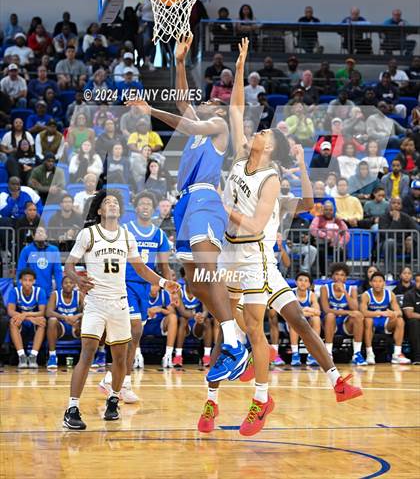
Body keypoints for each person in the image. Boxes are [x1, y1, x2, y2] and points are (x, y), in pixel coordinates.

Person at [200, 38, 362, 436]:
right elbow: (236, 110)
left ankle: (308, 386)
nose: (259, 132)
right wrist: (239, 68)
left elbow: (298, 206)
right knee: (228, 329)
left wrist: (226, 208)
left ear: (271, 151)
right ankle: (213, 399)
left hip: (258, 257)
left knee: (284, 324)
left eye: (266, 134)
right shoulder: (241, 158)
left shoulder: (274, 183)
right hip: (232, 254)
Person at [131, 36, 249, 384]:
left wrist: (151, 110)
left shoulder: (218, 127)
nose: (209, 101)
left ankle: (233, 343)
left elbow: (188, 122)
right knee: (197, 285)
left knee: (207, 270)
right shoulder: (201, 125)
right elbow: (184, 102)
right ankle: (235, 334)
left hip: (203, 199)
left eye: (214, 100)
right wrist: (180, 62)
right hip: (184, 203)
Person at [62, 190, 180, 430]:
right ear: (99, 210)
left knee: (119, 356)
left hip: (119, 302)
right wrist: (77, 279)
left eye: (116, 202)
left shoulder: (126, 236)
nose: (113, 205)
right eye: (108, 202)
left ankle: (113, 400)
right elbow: (68, 265)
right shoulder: (89, 234)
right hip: (96, 301)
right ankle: (72, 408)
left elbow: (141, 269)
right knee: (88, 351)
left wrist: (163, 283)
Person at [99, 191, 171, 401]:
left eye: (150, 203)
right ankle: (124, 383)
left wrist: (168, 288)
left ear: (154, 208)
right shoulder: (125, 230)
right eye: (142, 203)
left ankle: (113, 379)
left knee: (133, 337)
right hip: (124, 285)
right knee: (135, 330)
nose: (146, 206)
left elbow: (164, 266)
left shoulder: (159, 235)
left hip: (144, 289)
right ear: (136, 208)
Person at [320, 263, 367, 365]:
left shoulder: (351, 289)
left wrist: (344, 292)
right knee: (330, 316)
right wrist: (347, 312)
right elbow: (326, 309)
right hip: (330, 324)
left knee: (358, 315)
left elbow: (355, 308)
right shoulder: (325, 288)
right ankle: (328, 353)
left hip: (346, 324)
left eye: (342, 275)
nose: (339, 277)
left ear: (346, 278)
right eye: (337, 274)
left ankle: (357, 354)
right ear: (332, 276)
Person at [361, 271, 411, 365]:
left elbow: (399, 312)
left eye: (380, 281)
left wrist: (393, 313)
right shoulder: (366, 295)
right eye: (375, 281)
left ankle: (397, 354)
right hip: (371, 323)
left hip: (386, 323)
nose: (377, 284)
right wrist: (380, 313)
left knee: (400, 320)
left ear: (384, 283)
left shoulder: (390, 294)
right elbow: (363, 313)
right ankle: (369, 354)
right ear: (370, 283)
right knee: (367, 320)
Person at [7, 268, 47, 368]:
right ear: (20, 281)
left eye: (30, 280)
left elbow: (42, 312)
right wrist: (29, 318)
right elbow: (10, 311)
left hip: (32, 322)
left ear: (34, 281)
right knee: (12, 321)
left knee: (42, 321)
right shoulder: (15, 291)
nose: (27, 283)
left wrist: (25, 314)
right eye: (25, 280)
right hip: (24, 322)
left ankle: (33, 356)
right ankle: (22, 356)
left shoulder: (39, 291)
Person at [46, 276, 83, 369]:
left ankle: (86, 357)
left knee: (87, 320)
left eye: (71, 282)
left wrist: (77, 316)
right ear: (61, 285)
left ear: (74, 285)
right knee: (52, 320)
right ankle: (52, 356)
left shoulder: (79, 295)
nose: (68, 284)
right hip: (61, 328)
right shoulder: (55, 294)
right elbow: (48, 312)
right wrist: (65, 317)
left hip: (75, 327)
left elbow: (89, 311)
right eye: (66, 283)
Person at [17, 225, 62, 298]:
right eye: (38, 232)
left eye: (42, 232)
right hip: (31, 291)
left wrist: (60, 290)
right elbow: (20, 271)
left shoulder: (53, 250)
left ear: (46, 236)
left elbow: (58, 272)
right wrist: (20, 289)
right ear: (33, 236)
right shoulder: (27, 250)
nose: (40, 234)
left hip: (47, 291)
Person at [172, 280, 210, 368]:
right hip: (186, 325)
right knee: (182, 320)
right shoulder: (180, 291)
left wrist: (202, 316)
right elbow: (182, 312)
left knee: (207, 321)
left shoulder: (201, 291)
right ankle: (178, 356)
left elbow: (205, 310)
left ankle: (207, 356)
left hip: (197, 324)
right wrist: (195, 315)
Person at [378, 197, 419, 276]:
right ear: (390, 205)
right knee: (390, 242)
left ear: (401, 206)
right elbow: (387, 235)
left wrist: (411, 239)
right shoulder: (383, 218)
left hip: (403, 246)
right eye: (394, 203)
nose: (396, 205)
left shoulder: (406, 217)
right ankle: (389, 273)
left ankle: (416, 274)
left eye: (398, 203)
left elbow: (417, 231)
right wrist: (395, 221)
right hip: (386, 245)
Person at [289, 272, 321, 367]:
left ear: (309, 284)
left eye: (306, 281)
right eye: (300, 280)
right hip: (292, 323)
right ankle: (295, 354)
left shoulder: (311, 295)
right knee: (295, 319)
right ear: (296, 282)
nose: (303, 283)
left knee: (316, 319)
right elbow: (291, 312)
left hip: (307, 323)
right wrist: (307, 310)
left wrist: (303, 311)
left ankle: (312, 354)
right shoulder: (290, 293)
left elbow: (318, 312)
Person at [402, 274, 420, 364]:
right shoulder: (409, 294)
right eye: (418, 281)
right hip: (414, 323)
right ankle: (417, 357)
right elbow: (409, 314)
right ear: (414, 282)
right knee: (414, 322)